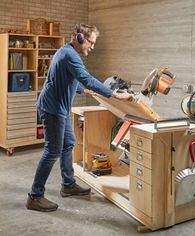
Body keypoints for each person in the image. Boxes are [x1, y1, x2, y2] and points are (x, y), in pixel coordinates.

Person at [26, 23, 133, 212]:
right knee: (52, 151)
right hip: (52, 109)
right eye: (91, 43)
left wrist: (85, 91)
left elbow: (69, 80)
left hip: (59, 107)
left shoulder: (66, 52)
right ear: (80, 38)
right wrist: (114, 94)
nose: (92, 47)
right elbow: (86, 77)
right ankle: (35, 196)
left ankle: (68, 185)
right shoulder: (70, 55)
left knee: (68, 143)